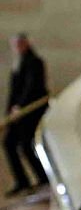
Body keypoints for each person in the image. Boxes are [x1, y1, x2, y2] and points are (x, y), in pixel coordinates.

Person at [4, 33, 49, 197]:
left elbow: (32, 88)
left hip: (30, 112)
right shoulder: (17, 64)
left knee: (27, 145)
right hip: (18, 115)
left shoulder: (35, 62)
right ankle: (22, 181)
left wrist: (20, 107)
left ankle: (43, 178)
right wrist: (9, 114)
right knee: (9, 143)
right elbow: (13, 93)